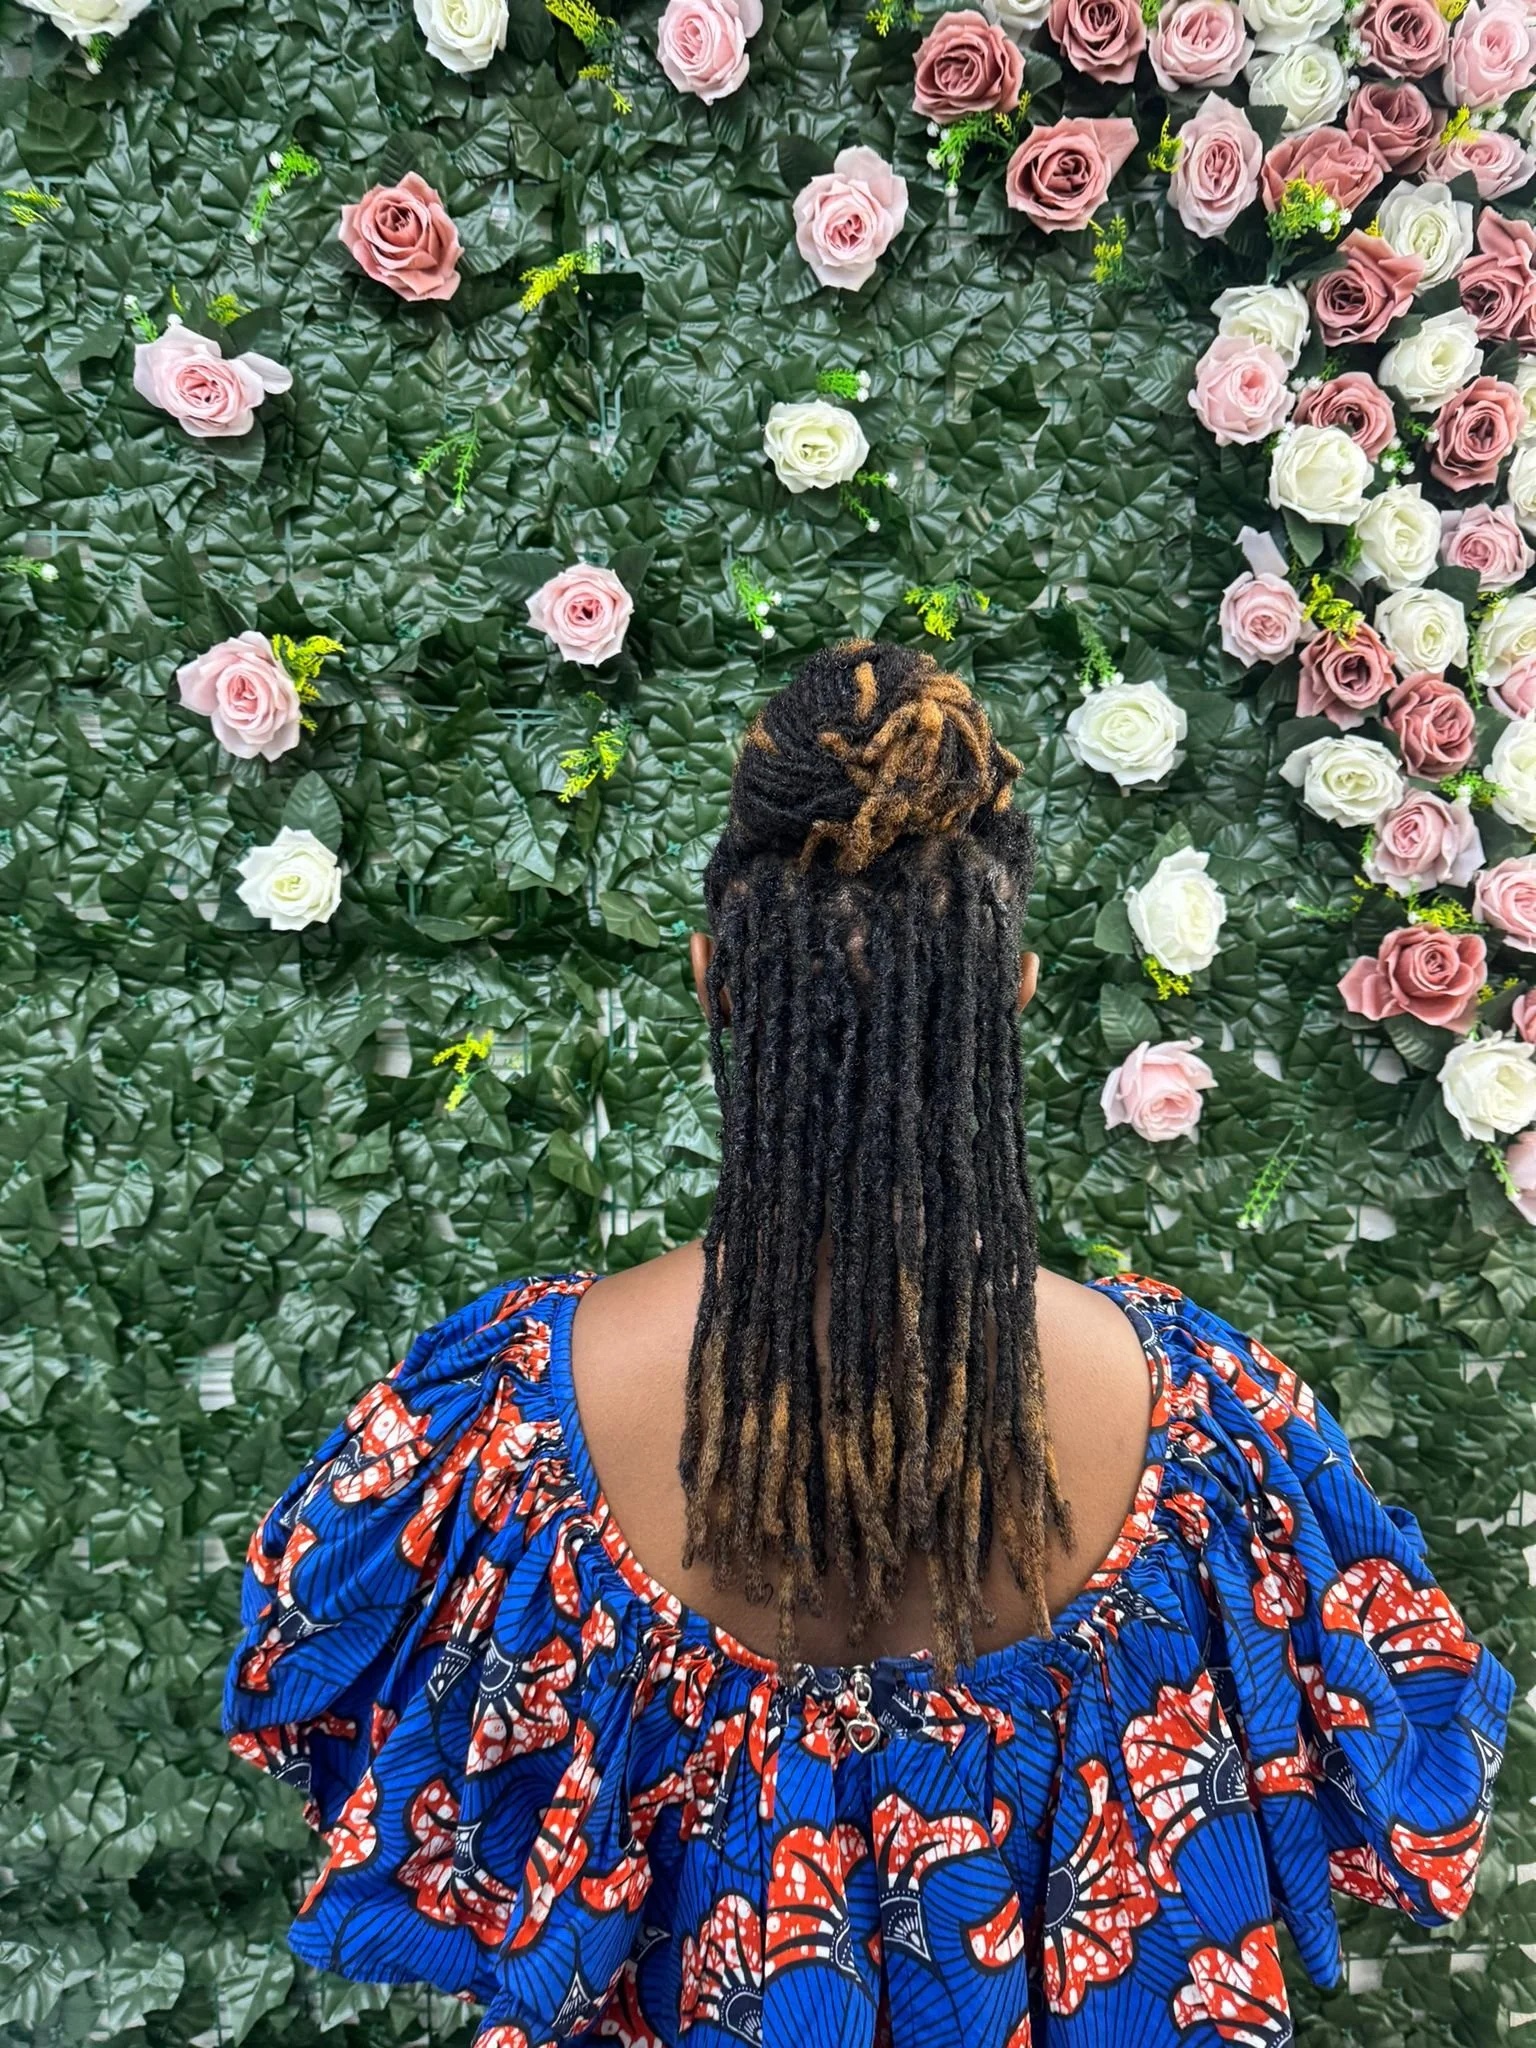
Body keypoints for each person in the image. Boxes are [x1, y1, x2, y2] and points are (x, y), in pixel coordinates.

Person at [223, 641, 1514, 2048]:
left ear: (718, 980)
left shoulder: (503, 1426)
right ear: (1007, 993)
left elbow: (311, 1684)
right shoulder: (1210, 1433)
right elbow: (1412, 1751)